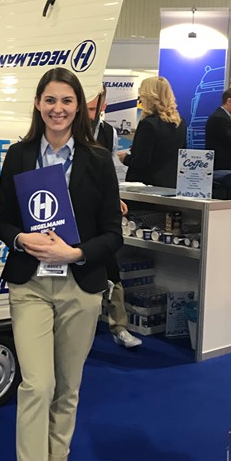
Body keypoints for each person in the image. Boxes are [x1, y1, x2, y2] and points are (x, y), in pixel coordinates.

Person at [0, 67, 123, 461]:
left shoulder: (97, 159)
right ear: (38, 104)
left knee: (68, 386)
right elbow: (4, 221)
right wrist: (20, 239)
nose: (58, 109)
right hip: (30, 285)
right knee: (37, 385)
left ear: (80, 107)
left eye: (67, 101)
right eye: (50, 100)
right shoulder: (19, 155)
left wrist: (76, 253)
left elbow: (113, 233)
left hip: (79, 284)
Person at [87, 87, 141, 350]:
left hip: (101, 211)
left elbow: (111, 170)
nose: (88, 114)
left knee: (111, 267)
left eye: (92, 108)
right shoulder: (64, 130)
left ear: (103, 105)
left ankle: (119, 327)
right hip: (74, 212)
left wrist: (115, 197)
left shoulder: (109, 133)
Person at [119, 76, 186, 187]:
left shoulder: (148, 124)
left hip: (145, 185)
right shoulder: (180, 123)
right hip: (171, 184)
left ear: (147, 96)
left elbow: (141, 161)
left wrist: (125, 158)